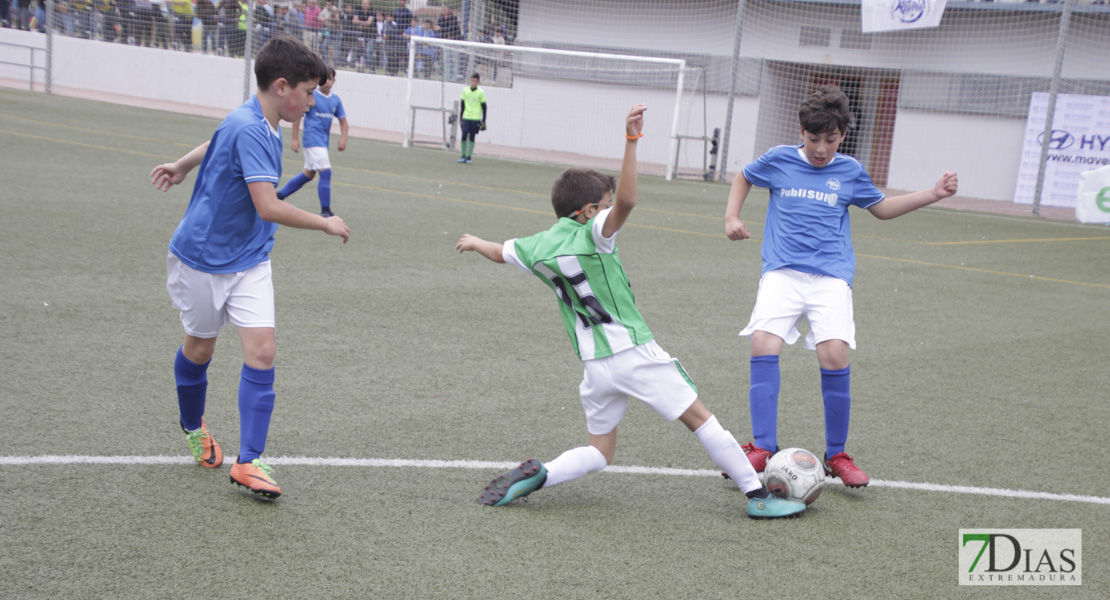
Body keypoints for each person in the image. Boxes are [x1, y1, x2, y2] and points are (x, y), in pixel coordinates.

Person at [455, 105, 806, 520]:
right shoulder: (594, 236)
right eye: (602, 205)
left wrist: (477, 241)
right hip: (632, 351)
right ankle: (756, 493)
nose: (609, 211)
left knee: (600, 451)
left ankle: (544, 474)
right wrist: (631, 141)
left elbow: (500, 252)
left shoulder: (537, 245)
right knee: (701, 419)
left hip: (594, 366)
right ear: (587, 212)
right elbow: (628, 200)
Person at [723, 85, 959, 488]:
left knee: (834, 354)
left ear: (842, 136)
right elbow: (743, 177)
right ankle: (762, 446)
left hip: (831, 276)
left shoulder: (849, 171)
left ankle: (837, 454)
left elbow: (881, 209)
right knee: (764, 343)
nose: (820, 148)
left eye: (829, 140)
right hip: (782, 271)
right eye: (814, 139)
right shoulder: (779, 160)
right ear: (802, 131)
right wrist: (731, 217)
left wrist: (933, 194)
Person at [149, 36, 349, 500]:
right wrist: (324, 223)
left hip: (250, 258)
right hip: (201, 257)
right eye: (308, 91)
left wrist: (182, 164)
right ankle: (192, 425)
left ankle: (250, 461)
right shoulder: (250, 128)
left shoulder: (261, 116)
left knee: (262, 351)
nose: (313, 101)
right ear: (282, 87)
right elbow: (267, 205)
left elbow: (215, 136)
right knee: (199, 350)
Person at [276, 65, 348, 218]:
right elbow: (298, 116)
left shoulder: (335, 100)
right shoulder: (312, 96)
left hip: (323, 142)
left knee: (308, 175)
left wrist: (343, 138)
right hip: (312, 140)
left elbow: (343, 121)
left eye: (329, 79)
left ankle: (279, 196)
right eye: (324, 79)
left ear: (334, 80)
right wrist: (294, 138)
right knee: (326, 172)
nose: (326, 82)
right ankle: (325, 211)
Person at [457, 73, 486, 164]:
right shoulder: (465, 90)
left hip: (475, 118)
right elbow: (462, 105)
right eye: (472, 81)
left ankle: (469, 157)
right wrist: (460, 118)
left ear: (478, 82)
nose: (473, 83)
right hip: (466, 116)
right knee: (464, 135)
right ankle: (463, 156)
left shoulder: (481, 92)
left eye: (475, 81)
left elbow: (484, 107)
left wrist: (483, 120)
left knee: (472, 136)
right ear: (470, 80)